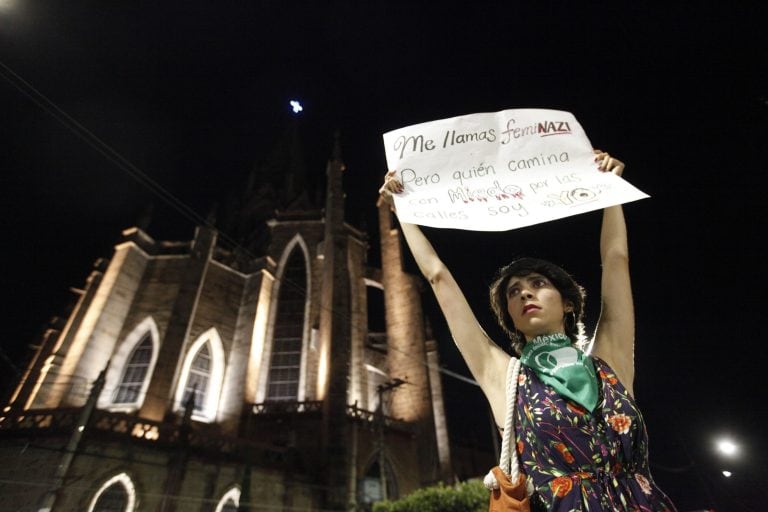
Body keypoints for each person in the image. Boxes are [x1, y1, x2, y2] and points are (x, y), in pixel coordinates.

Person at [378, 150, 676, 511]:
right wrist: (403, 210)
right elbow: (437, 277)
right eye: (513, 292)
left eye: (537, 283)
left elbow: (616, 260)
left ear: (568, 303)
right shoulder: (504, 375)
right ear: (511, 316)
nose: (525, 293)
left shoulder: (608, 361)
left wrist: (609, 189)